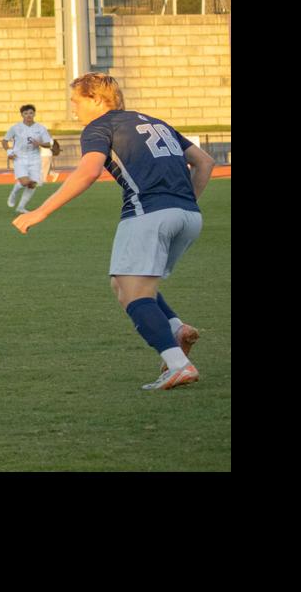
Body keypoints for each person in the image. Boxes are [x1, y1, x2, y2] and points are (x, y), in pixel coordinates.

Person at [13, 73, 216, 391]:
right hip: (189, 216)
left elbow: (89, 170)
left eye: (76, 101)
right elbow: (204, 162)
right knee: (125, 281)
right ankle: (175, 328)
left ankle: (178, 364)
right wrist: (183, 204)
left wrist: (40, 211)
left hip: (148, 214)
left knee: (132, 292)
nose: (73, 108)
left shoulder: (99, 126)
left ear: (96, 99)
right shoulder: (154, 121)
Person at [1, 104, 57, 213]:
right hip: (19, 157)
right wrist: (9, 151)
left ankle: (21, 207)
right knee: (24, 182)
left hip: (35, 158)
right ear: (22, 115)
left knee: (33, 184)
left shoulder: (40, 128)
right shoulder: (15, 128)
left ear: (34, 114)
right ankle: (14, 193)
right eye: (26, 113)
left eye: (31, 113)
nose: (28, 115)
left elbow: (48, 144)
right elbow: (4, 141)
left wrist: (39, 143)